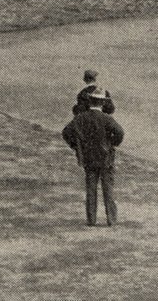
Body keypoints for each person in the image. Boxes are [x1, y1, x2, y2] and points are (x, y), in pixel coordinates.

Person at [62, 88, 124, 226]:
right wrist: (112, 144)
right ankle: (111, 220)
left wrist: (76, 147)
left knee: (91, 189)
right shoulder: (107, 119)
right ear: (102, 103)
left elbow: (66, 132)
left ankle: (91, 220)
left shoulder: (81, 118)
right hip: (106, 158)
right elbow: (120, 132)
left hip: (89, 158)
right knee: (108, 190)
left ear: (90, 100)